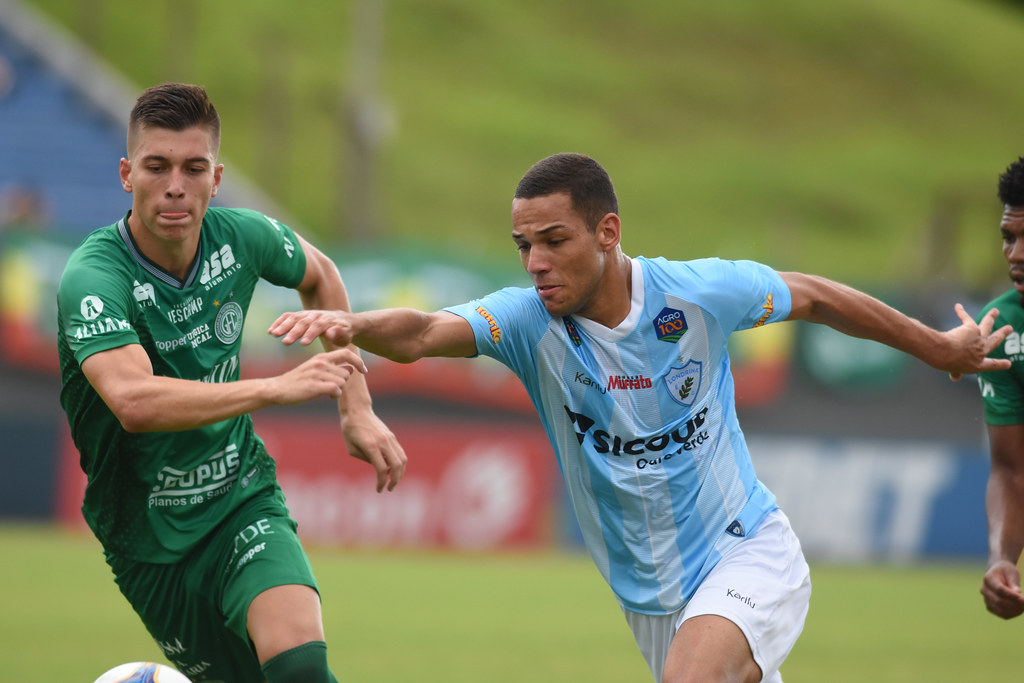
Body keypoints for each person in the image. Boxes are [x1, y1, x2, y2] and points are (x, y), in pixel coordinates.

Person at [269, 153, 1010, 683]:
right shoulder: (527, 322)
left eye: (554, 241)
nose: (535, 262)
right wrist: (353, 322)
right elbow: (426, 331)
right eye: (523, 245)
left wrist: (938, 346)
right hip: (650, 599)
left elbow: (812, 293)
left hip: (746, 553)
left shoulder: (695, 295)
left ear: (608, 231)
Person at [57, 83, 407, 683]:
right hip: (148, 538)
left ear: (216, 179)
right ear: (125, 173)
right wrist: (275, 388)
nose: (175, 186)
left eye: (194, 169)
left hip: (241, 499)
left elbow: (321, 275)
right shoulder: (92, 277)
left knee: (301, 668)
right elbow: (134, 402)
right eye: (157, 166)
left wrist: (356, 407)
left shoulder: (240, 238)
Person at [977, 156, 1024, 622]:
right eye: (1009, 237)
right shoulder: (1003, 329)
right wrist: (1002, 558)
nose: (1015, 254)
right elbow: (1012, 470)